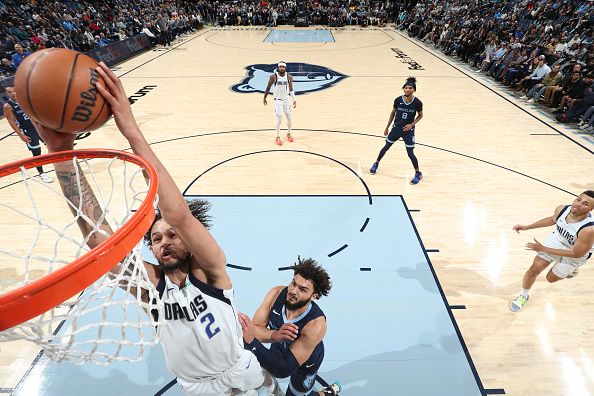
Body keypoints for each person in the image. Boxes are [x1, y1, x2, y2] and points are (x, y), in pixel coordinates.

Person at [36, 62, 278, 396]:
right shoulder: (153, 289)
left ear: (190, 241)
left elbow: (178, 213)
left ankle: (272, 385)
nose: (164, 241)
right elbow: (102, 246)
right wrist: (61, 155)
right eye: (156, 237)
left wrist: (131, 131)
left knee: (265, 382)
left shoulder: (211, 269)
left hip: (240, 365)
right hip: (197, 388)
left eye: (172, 234)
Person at [238, 257, 341, 396]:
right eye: (293, 283)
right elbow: (254, 328)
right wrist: (274, 335)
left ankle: (325, 393)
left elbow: (283, 369)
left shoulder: (316, 325)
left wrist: (255, 340)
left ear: (313, 296)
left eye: (302, 289)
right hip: (279, 343)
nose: (293, 291)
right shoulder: (276, 294)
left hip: (306, 361)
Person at [509, 191, 594, 312]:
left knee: (550, 279)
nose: (578, 204)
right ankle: (523, 296)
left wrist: (543, 248)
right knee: (535, 268)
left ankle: (573, 269)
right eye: (578, 199)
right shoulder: (562, 209)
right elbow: (552, 219)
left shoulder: (589, 230)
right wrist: (527, 227)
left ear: (591, 209)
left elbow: (576, 253)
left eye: (585, 204)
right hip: (559, 239)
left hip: (576, 252)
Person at [369, 76, 424, 184]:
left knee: (410, 153)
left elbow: (420, 115)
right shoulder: (398, 100)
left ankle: (418, 173)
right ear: (403, 89)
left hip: (408, 131)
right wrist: (387, 127)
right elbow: (393, 113)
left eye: (410, 88)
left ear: (414, 90)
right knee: (385, 147)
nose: (407, 89)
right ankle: (376, 163)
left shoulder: (417, 102)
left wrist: (412, 124)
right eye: (406, 88)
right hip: (396, 129)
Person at [2, 86, 52, 183]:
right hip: (28, 131)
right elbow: (11, 122)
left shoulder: (24, 100)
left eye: (14, 91)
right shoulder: (8, 106)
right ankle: (41, 173)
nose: (12, 93)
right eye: (9, 92)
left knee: (52, 146)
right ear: (6, 94)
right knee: (37, 153)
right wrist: (21, 135)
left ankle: (63, 165)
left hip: (39, 127)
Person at [263, 61, 297, 146]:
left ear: (285, 68)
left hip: (286, 100)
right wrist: (264, 97)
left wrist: (294, 99)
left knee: (289, 118)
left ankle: (289, 133)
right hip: (278, 101)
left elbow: (291, 89)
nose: (281, 68)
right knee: (279, 119)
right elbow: (268, 87)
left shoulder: (289, 77)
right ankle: (277, 136)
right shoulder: (273, 76)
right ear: (278, 68)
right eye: (280, 66)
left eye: (283, 67)